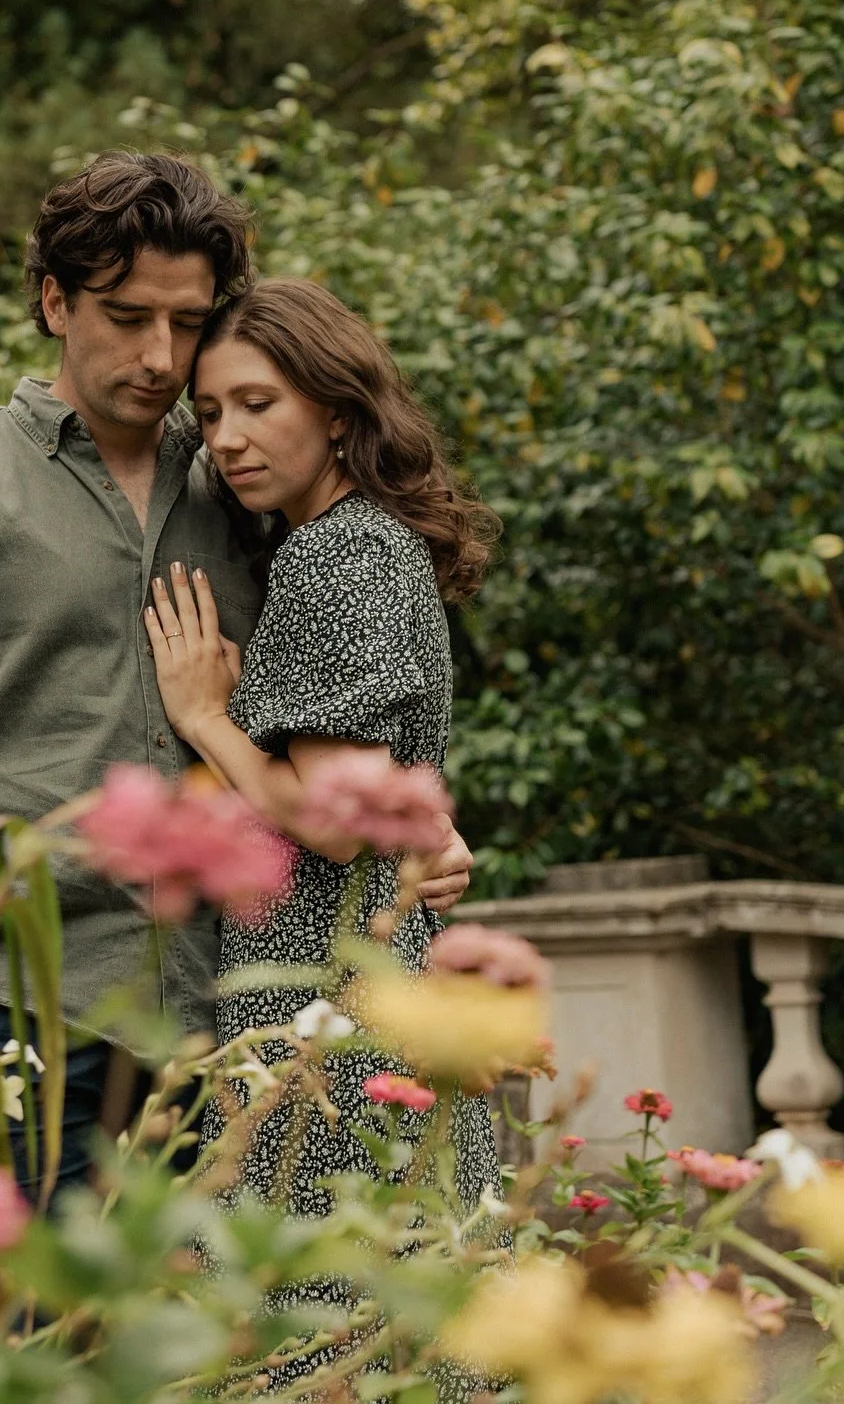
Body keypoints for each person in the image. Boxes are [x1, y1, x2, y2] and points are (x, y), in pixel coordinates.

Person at [0, 154, 476, 1234]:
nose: (162, 356)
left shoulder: (248, 481)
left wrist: (417, 820)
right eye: (126, 317)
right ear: (53, 301)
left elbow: (335, 703)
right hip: (13, 1018)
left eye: (187, 319)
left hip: (232, 1035)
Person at [144, 275, 502, 1388]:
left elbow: (331, 823)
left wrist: (204, 712)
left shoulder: (335, 555)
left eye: (260, 403)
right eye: (209, 414)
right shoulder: (368, 545)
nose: (230, 437)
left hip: (332, 1023)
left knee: (314, 1337)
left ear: (337, 411)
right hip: (370, 1000)